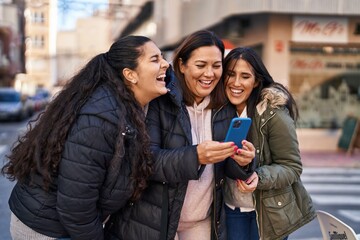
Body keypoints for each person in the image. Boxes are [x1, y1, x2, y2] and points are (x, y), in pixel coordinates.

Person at [1, 35, 169, 240]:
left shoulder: (128, 107)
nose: (165, 63)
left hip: (65, 223)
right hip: (46, 229)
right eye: (155, 59)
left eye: (162, 57)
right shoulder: (101, 119)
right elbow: (76, 207)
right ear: (130, 75)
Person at [104, 30, 255, 240]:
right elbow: (146, 161)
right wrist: (196, 156)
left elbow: (224, 167)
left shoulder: (225, 108)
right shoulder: (160, 100)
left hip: (202, 222)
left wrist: (244, 163)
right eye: (201, 65)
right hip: (156, 222)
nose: (210, 74)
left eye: (217, 66)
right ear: (182, 65)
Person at [222, 47, 316, 240]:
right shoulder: (219, 111)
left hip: (268, 213)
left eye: (245, 76)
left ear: (256, 81)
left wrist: (260, 176)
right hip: (231, 208)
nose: (236, 83)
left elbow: (292, 167)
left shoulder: (273, 114)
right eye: (230, 74)